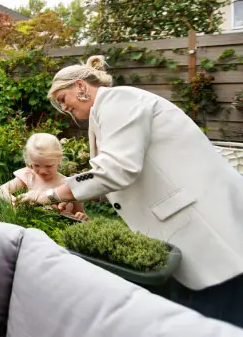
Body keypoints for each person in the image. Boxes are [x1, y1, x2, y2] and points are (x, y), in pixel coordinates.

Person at [17, 55, 243, 327]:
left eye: (62, 98)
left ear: (80, 86)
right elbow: (119, 175)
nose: (62, 107)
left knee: (217, 313)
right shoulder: (106, 112)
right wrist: (75, 193)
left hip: (207, 223)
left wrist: (51, 194)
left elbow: (117, 168)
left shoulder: (118, 102)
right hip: (190, 223)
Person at [0, 133, 88, 220]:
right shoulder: (29, 175)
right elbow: (2, 190)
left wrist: (81, 218)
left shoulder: (68, 185)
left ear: (59, 159)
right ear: (30, 159)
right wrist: (13, 200)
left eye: (48, 166)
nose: (42, 171)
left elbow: (79, 214)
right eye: (36, 165)